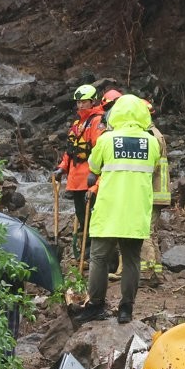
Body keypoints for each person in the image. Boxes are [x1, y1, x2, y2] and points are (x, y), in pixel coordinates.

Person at [75, 94, 161, 324]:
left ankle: (96, 305)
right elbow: (153, 167)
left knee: (99, 258)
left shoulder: (106, 139)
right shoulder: (151, 142)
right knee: (132, 260)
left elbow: (93, 167)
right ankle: (126, 309)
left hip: (109, 210)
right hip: (136, 211)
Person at [53, 84, 107, 258]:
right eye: (78, 102)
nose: (80, 105)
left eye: (84, 102)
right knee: (81, 215)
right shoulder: (78, 123)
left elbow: (99, 150)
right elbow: (71, 150)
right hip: (75, 178)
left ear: (92, 101)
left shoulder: (97, 122)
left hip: (90, 177)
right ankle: (86, 248)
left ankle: (93, 249)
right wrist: (62, 168)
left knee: (91, 215)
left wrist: (96, 174)